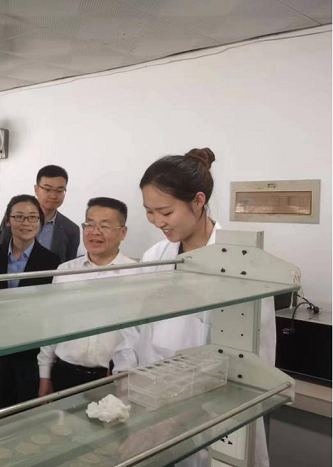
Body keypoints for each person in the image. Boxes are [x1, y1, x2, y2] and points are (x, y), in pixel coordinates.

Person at [112, 148, 274, 467]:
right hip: (151, 412)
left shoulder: (241, 265)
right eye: (149, 212)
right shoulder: (155, 257)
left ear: (198, 201)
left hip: (214, 425)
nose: (157, 222)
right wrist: (125, 379)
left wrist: (179, 419)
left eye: (165, 212)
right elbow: (133, 328)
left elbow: (252, 364)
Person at [38, 197, 139, 396]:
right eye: (90, 224)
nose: (95, 232)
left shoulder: (137, 275)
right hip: (64, 374)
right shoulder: (65, 272)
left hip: (111, 378)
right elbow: (51, 326)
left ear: (123, 232)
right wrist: (44, 375)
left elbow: (137, 334)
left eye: (105, 226)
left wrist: (125, 380)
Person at [0, 194, 60, 409]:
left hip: (30, 352)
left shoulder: (51, 261)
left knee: (26, 410)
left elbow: (49, 313)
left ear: (40, 222)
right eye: (18, 216)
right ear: (8, 221)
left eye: (32, 217)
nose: (25, 223)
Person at [0, 165, 79, 263]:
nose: (53, 195)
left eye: (59, 190)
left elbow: (69, 266)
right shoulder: (15, 217)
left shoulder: (71, 229)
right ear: (36, 189)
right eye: (48, 189)